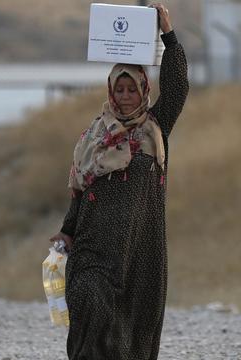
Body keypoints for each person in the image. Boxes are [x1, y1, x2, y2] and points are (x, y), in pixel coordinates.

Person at [48, 3, 188, 358]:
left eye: (132, 89)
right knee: (88, 303)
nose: (126, 97)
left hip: (141, 248)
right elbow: (81, 190)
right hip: (93, 244)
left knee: (135, 324)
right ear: (111, 91)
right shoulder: (94, 136)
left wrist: (168, 35)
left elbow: (177, 86)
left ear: (143, 90)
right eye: (119, 89)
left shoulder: (155, 127)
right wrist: (67, 230)